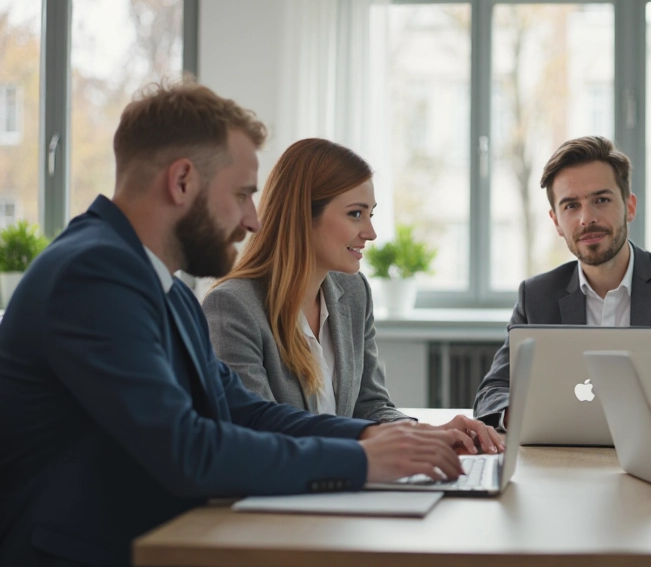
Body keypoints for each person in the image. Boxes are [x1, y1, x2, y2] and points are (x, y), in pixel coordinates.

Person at [0, 82, 474, 567]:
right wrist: (362, 461)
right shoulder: (93, 274)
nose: (252, 219)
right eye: (243, 194)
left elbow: (243, 410)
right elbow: (187, 449)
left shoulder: (163, 287)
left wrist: (367, 436)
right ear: (182, 181)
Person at [201, 138, 502, 451]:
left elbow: (370, 407)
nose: (370, 233)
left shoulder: (353, 293)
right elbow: (256, 430)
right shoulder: (232, 306)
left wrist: (424, 434)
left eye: (370, 214)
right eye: (356, 214)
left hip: (348, 484)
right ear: (303, 214)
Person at [474, 136, 651, 428]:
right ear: (555, 221)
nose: (586, 218)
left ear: (629, 206)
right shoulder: (536, 296)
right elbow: (492, 393)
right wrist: (519, 415)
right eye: (570, 206)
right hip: (563, 456)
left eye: (601, 200)